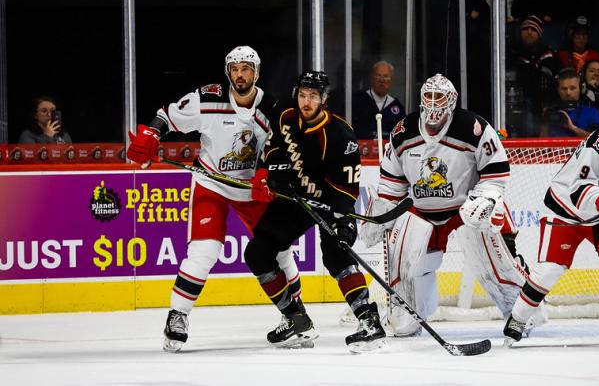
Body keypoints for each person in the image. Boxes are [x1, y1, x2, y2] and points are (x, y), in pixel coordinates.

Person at [126, 45, 302, 352]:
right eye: (234, 69)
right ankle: (177, 316)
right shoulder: (207, 98)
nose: (240, 74)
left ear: (256, 73)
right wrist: (152, 135)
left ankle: (296, 315)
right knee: (204, 251)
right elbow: (166, 115)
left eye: (246, 69)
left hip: (252, 188)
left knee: (279, 250)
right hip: (212, 184)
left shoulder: (272, 108)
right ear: (228, 73)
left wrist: (267, 174)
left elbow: (282, 149)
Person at [359, 74, 534, 337]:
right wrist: (382, 214)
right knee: (403, 247)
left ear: (451, 101)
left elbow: (495, 173)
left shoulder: (473, 127)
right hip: (423, 210)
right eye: (427, 97)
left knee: (491, 245)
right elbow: (392, 184)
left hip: (465, 207)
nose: (432, 104)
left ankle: (520, 313)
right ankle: (406, 311)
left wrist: (485, 198)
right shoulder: (403, 131)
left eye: (438, 97)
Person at [245, 70, 386, 352]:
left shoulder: (340, 133)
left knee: (337, 257)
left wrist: (343, 220)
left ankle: (369, 320)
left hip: (329, 202)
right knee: (257, 253)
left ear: (324, 98)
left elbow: (347, 187)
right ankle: (295, 318)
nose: (306, 101)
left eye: (312, 96)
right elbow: (273, 146)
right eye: (302, 95)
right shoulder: (285, 117)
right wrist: (273, 170)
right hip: (295, 200)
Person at [504, 93, 599, 345]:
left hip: (598, 214)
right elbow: (579, 188)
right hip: (566, 212)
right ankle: (517, 319)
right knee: (549, 271)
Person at [507, 15, 559, 136]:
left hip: (542, 106)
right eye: (526, 29)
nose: (529, 32)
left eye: (533, 29)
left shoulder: (549, 55)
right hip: (516, 103)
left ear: (539, 33)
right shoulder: (512, 52)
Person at [540, 67, 599, 137]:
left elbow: (598, 141)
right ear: (558, 90)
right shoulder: (550, 113)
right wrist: (544, 121)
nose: (568, 93)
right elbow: (541, 144)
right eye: (564, 89)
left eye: (572, 88)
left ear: (581, 89)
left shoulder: (593, 113)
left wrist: (573, 128)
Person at [351, 61, 405, 140]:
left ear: (392, 81)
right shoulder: (357, 100)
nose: (382, 80)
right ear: (372, 78)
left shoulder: (397, 108)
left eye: (386, 76)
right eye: (378, 76)